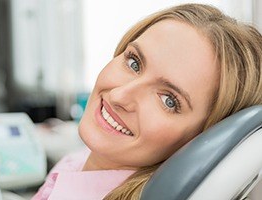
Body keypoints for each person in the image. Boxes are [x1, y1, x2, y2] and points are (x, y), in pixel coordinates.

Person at [32, 3, 262, 200]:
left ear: (202, 140)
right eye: (134, 63)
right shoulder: (77, 162)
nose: (119, 96)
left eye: (169, 101)